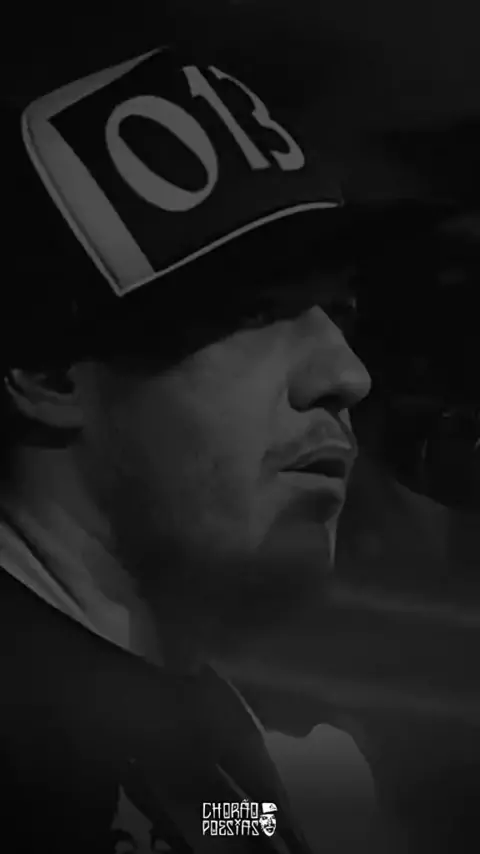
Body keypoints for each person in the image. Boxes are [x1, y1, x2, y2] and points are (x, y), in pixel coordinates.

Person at [0, 43, 373, 853]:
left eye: (340, 311)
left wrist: (318, 821)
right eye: (256, 311)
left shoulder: (192, 701)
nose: (347, 373)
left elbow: (205, 816)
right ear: (49, 370)